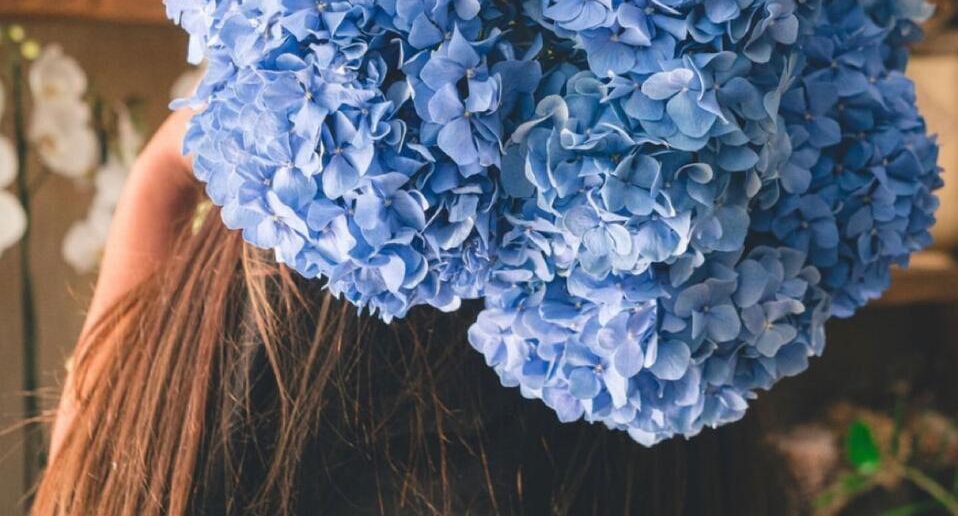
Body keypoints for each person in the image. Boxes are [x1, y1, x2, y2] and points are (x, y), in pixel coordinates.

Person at [32, 110, 791, 515]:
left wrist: (163, 174)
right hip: (599, 316)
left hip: (325, 293)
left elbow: (103, 479)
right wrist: (165, 172)